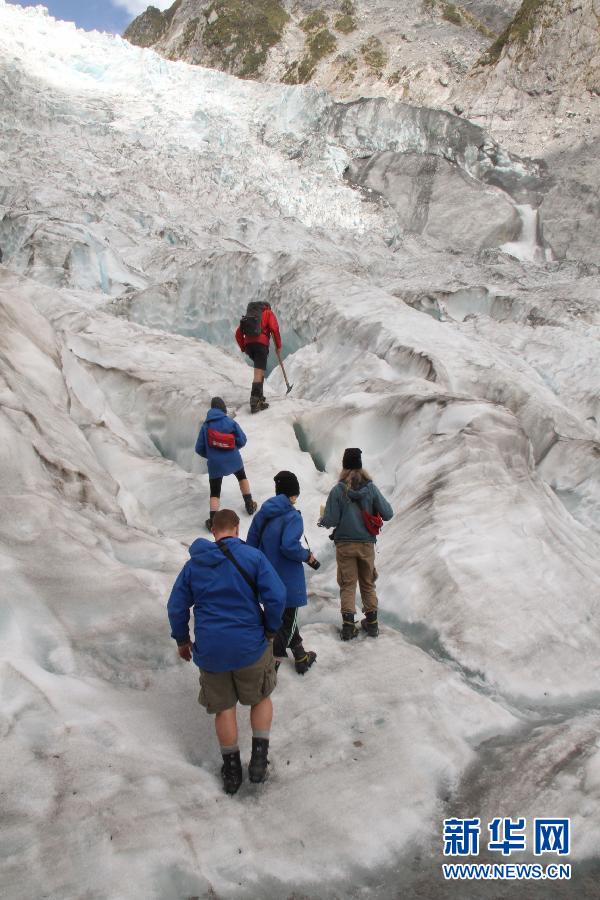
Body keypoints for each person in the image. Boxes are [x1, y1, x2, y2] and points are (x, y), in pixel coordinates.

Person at [167, 509, 286, 795]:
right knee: (260, 698)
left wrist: (183, 640)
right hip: (250, 645)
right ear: (236, 528)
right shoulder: (253, 557)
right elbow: (277, 595)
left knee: (224, 709)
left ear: (213, 531)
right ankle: (258, 760)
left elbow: (176, 606)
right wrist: (270, 629)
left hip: (211, 650)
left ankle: (231, 770)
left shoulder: (194, 565)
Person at [247, 471, 318, 676]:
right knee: (287, 621)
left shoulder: (264, 513)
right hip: (287, 582)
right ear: (293, 495)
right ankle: (271, 666)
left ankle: (301, 656)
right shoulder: (292, 516)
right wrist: (306, 556)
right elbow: (289, 546)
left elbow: (252, 542)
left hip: (266, 578)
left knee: (280, 619)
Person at [319, 448, 393, 641]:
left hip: (345, 545)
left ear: (344, 466)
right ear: (361, 465)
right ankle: (372, 624)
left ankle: (349, 627)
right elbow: (388, 513)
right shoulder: (371, 488)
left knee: (348, 584)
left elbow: (331, 519)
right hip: (367, 544)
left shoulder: (338, 490)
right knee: (368, 583)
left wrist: (322, 520)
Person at [195, 397, 257, 531]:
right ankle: (249, 504)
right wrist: (233, 449)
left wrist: (211, 455)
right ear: (223, 408)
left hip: (215, 465)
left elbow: (198, 448)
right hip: (234, 460)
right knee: (242, 478)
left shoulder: (206, 426)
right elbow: (243, 439)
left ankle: (213, 521)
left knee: (215, 492)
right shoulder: (230, 422)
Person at [235, 301, 282, 414]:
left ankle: (259, 398)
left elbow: (237, 334)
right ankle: (255, 401)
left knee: (259, 371)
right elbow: (274, 329)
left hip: (249, 346)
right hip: (260, 344)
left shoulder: (249, 315)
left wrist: (243, 348)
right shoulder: (268, 313)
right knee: (258, 372)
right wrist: (278, 346)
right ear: (267, 307)